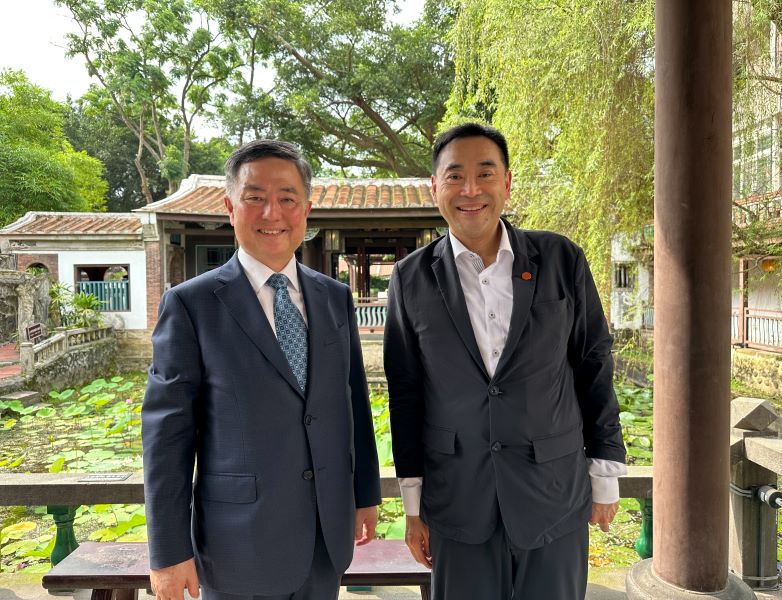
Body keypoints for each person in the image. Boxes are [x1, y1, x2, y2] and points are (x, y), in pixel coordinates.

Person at [384, 123, 627, 599]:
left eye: (485, 173)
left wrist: (605, 474)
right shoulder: (410, 278)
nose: (470, 190)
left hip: (553, 492)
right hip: (457, 499)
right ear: (434, 187)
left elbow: (593, 363)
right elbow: (406, 392)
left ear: (507, 182)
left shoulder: (561, 259)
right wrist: (413, 505)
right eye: (455, 176)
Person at [142, 139, 381, 600]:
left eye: (287, 198)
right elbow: (166, 438)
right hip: (237, 545)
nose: (273, 213)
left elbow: (352, 401)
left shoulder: (334, 298)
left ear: (306, 210)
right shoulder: (191, 305)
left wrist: (365, 493)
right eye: (255, 197)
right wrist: (169, 552)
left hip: (324, 535)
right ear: (230, 207)